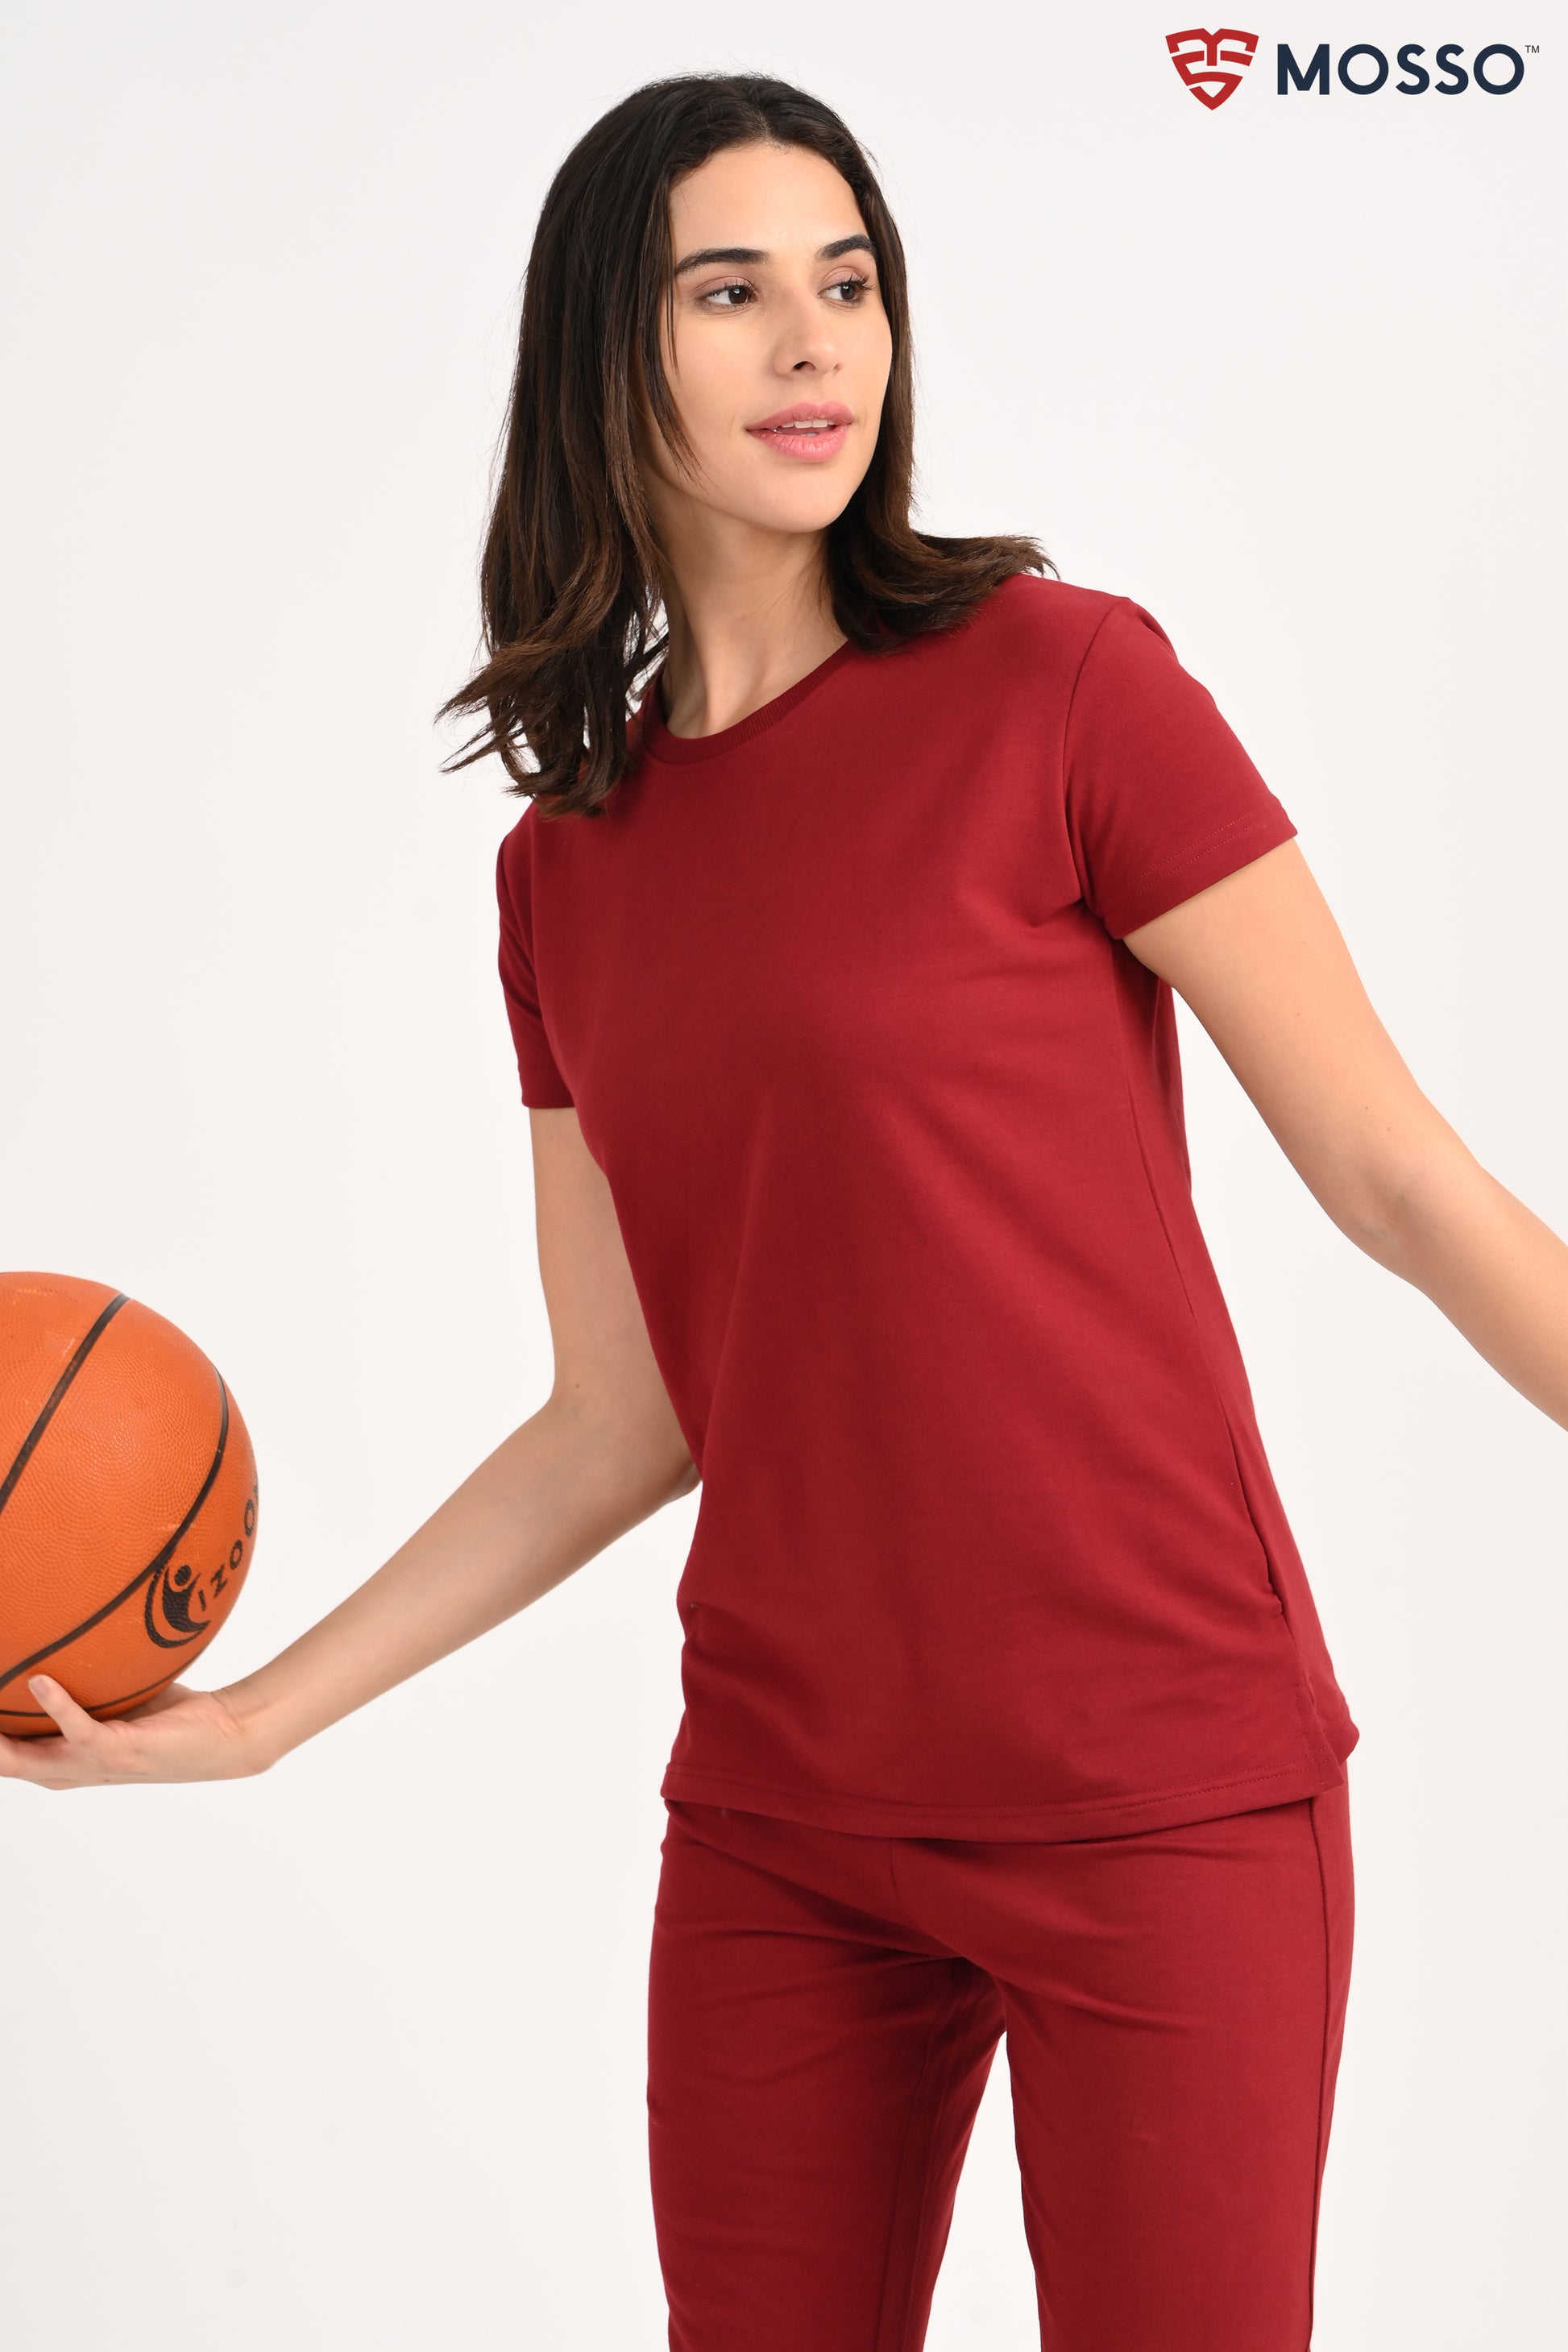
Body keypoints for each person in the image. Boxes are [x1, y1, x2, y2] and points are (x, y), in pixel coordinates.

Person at [5, 69, 1566, 2352]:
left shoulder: (1068, 688)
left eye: (848, 283)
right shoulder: (562, 877)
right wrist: (256, 1724)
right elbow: (622, 1416)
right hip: (784, 1831)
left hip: (1157, 1792)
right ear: (603, 353)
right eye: (729, 293)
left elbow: (1396, 1177)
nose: (815, 341)